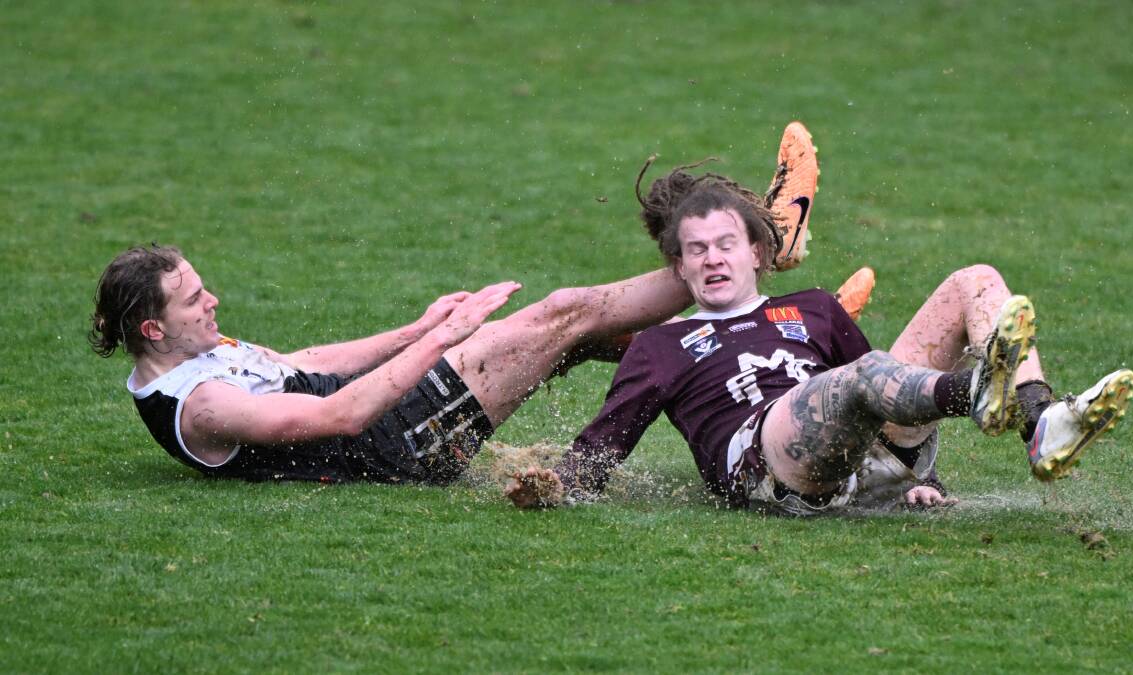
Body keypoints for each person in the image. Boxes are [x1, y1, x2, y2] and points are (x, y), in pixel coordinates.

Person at [89, 122, 864, 485]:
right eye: (195, 298)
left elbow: (301, 366)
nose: (213, 299)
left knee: (574, 336)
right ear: (152, 326)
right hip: (401, 445)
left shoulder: (193, 356)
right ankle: (768, 247)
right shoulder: (202, 405)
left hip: (400, 421)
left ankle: (760, 319)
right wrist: (448, 340)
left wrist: (420, 326)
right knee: (564, 313)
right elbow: (335, 416)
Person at [506, 157, 1133, 515]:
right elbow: (597, 455)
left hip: (867, 453)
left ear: (758, 251)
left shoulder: (812, 308)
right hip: (775, 470)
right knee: (856, 381)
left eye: (727, 244)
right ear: (678, 267)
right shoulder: (659, 347)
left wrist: (927, 482)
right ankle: (980, 389)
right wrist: (551, 487)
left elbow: (895, 389)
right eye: (696, 251)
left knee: (976, 280)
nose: (713, 259)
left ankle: (1039, 421)